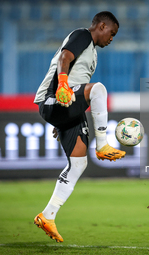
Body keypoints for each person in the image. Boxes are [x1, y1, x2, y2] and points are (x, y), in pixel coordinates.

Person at [33, 11, 125, 243]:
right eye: (111, 33)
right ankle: (103, 145)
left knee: (79, 163)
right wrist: (63, 83)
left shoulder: (92, 53)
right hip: (54, 98)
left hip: (66, 106)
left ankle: (48, 215)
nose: (111, 38)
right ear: (101, 26)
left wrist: (62, 120)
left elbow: (77, 88)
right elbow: (65, 56)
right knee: (98, 89)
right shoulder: (83, 35)